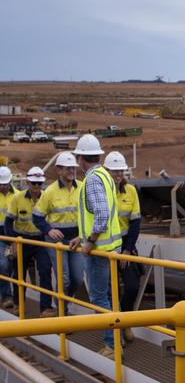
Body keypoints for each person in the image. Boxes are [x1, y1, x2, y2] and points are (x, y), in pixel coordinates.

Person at [70, 134, 122, 359]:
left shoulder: (92, 179)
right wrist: (81, 238)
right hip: (109, 248)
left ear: (81, 158)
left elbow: (101, 215)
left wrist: (89, 242)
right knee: (110, 297)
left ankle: (112, 346)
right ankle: (117, 338)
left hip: (99, 250)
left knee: (99, 298)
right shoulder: (105, 175)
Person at [33, 151, 84, 315]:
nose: (71, 171)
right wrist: (49, 230)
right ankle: (63, 312)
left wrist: (82, 235)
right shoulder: (49, 192)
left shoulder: (82, 187)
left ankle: (62, 302)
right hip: (56, 242)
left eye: (73, 168)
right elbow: (37, 217)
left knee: (77, 278)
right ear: (58, 170)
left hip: (76, 240)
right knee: (65, 279)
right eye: (67, 168)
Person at [4, 166, 55, 317]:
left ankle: (45, 308)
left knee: (45, 270)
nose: (37, 187)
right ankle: (18, 304)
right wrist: (14, 241)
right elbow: (8, 222)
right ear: (27, 182)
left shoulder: (47, 197)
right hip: (22, 240)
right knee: (19, 273)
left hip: (41, 241)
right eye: (34, 183)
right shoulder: (17, 198)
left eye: (40, 184)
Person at [104, 151, 142, 342]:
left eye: (121, 171)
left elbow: (135, 223)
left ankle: (125, 322)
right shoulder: (102, 193)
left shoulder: (131, 191)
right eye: (114, 171)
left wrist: (127, 249)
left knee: (132, 286)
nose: (118, 175)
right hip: (107, 247)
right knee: (110, 291)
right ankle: (115, 330)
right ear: (107, 172)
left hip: (125, 246)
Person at [0, 166, 16, 309]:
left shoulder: (18, 195)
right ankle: (6, 296)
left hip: (13, 234)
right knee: (3, 264)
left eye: (5, 183)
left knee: (10, 266)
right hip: (0, 235)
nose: (3, 186)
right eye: (1, 184)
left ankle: (11, 296)